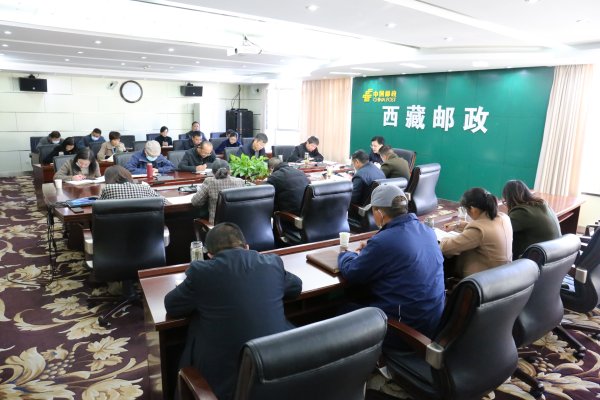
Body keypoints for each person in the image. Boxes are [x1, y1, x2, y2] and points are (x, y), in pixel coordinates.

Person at [164, 222, 302, 400]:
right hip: (278, 373)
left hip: (224, 388)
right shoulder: (272, 263)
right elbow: (296, 287)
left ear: (209, 255)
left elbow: (172, 305)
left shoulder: (201, 272)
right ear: (247, 247)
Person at [338, 184, 445, 346]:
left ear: (379, 212)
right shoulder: (428, 231)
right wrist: (373, 248)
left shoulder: (384, 242)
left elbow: (352, 272)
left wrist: (345, 254)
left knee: (342, 311)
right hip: (432, 323)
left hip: (405, 331)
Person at [439, 187, 513, 277]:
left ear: (473, 209)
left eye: (466, 210)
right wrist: (458, 225)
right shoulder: (503, 217)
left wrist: (443, 238)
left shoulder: (478, 230)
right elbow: (486, 230)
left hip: (482, 279)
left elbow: (446, 248)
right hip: (503, 275)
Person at [502, 180, 561, 259]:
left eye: (505, 202)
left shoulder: (522, 212)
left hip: (539, 260)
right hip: (555, 256)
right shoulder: (542, 204)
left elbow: (501, 230)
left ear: (510, 199)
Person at [191, 159, 245, 224]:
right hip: (237, 225)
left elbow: (196, 202)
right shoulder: (240, 181)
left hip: (217, 228)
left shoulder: (209, 182)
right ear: (229, 171)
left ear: (212, 172)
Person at [99, 165, 165, 203]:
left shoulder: (108, 189)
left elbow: (99, 206)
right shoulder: (144, 187)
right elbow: (163, 201)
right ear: (127, 174)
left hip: (118, 222)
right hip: (145, 222)